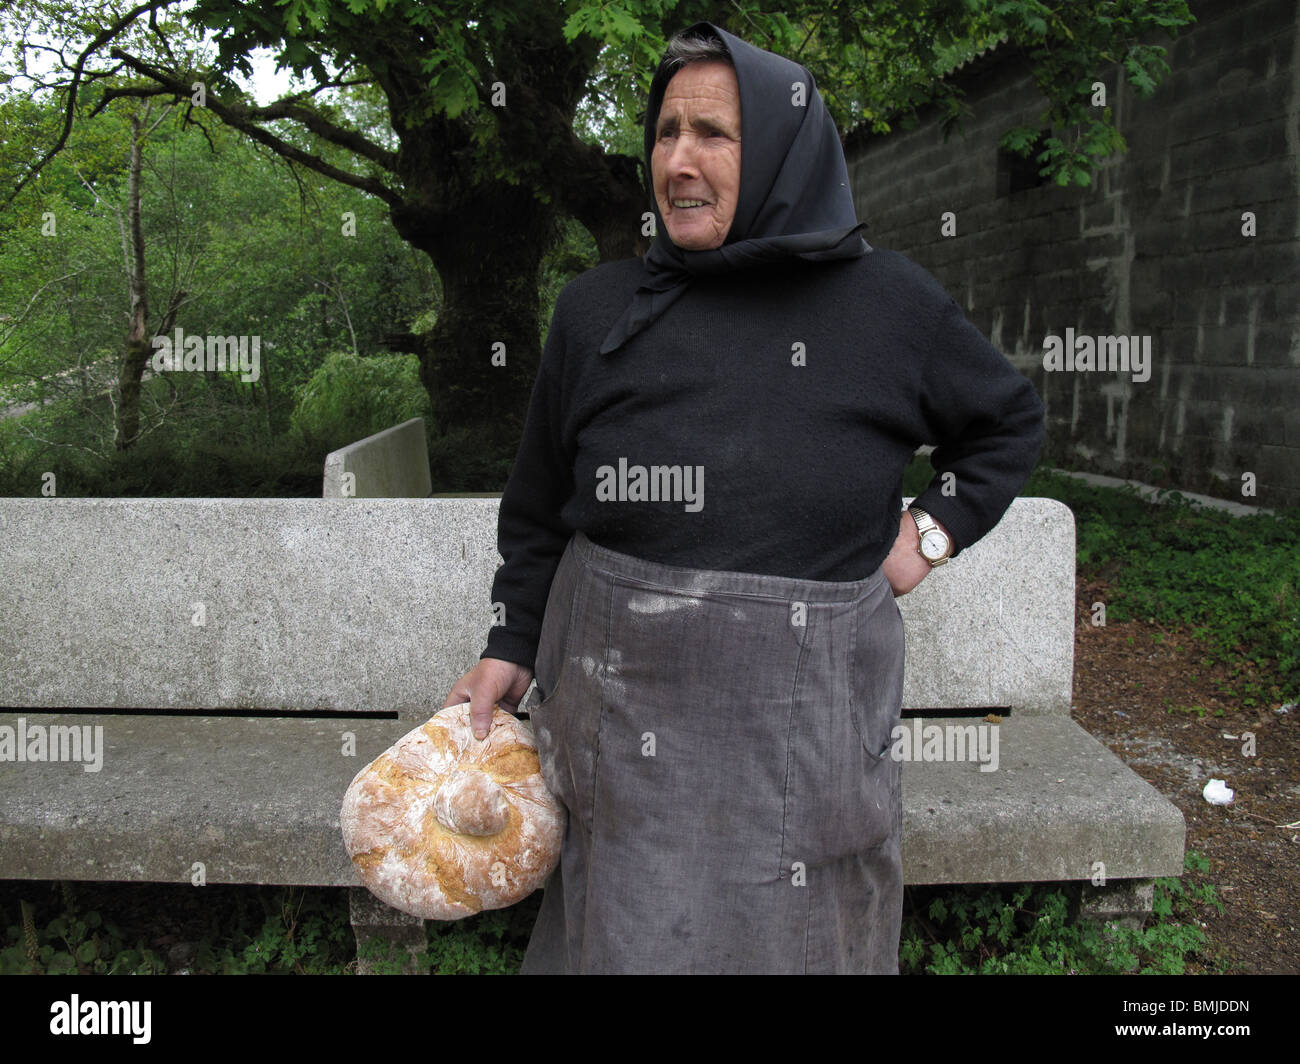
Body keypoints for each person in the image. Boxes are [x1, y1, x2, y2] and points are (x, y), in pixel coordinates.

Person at [443, 21, 1044, 974]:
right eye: (665, 130)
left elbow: (1007, 423)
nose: (678, 161)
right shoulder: (596, 311)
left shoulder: (890, 305)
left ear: (779, 151)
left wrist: (926, 537)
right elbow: (538, 505)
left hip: (804, 738)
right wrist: (509, 644)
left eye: (713, 134)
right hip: (619, 730)